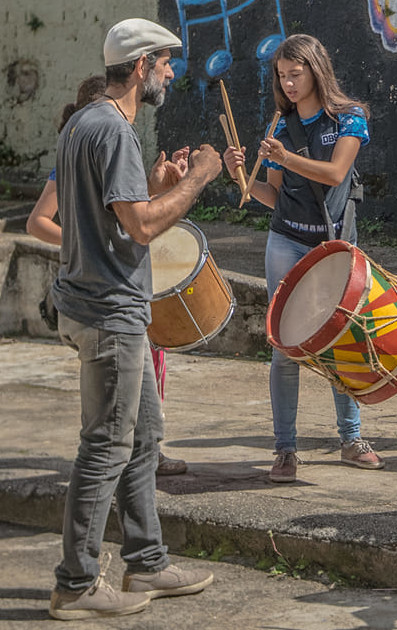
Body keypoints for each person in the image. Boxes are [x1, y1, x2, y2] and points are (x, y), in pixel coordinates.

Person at [48, 18, 221, 620]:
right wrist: (199, 177)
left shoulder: (84, 123)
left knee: (144, 434)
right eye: (166, 63)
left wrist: (152, 185)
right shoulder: (115, 130)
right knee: (105, 446)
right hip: (111, 313)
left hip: (91, 302)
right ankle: (76, 582)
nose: (171, 72)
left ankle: (146, 560)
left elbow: (114, 215)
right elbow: (143, 227)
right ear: (143, 65)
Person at [222, 34, 380, 483]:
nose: (288, 84)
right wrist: (241, 176)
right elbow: (271, 195)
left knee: (341, 339)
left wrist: (287, 157)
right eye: (282, 76)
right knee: (284, 348)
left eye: (296, 74)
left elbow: (334, 175)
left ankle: (351, 439)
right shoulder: (279, 126)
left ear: (316, 70)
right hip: (286, 242)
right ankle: (285, 450)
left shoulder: (349, 119)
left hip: (334, 246)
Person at [27, 75, 188, 477]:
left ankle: (145, 457)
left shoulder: (108, 146)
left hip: (123, 291)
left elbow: (127, 219)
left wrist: (154, 188)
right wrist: (82, 242)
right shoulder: (86, 147)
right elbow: (37, 222)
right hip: (103, 297)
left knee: (145, 392)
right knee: (103, 443)